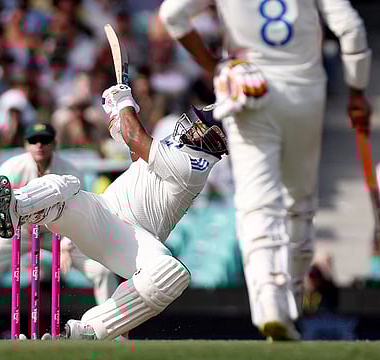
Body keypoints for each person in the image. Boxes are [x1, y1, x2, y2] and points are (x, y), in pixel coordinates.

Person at [159, 0, 371, 340]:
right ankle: (291, 302)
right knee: (299, 203)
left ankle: (269, 305)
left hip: (249, 87)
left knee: (257, 204)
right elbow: (352, 29)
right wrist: (357, 92)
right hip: (304, 90)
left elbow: (172, 15)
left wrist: (214, 66)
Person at [0, 84, 228, 340]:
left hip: (131, 242)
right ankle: (16, 208)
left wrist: (124, 102)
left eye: (202, 125)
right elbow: (137, 149)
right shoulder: (180, 147)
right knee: (68, 183)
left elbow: (136, 139)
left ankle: (89, 330)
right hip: (101, 214)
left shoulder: (194, 166)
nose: (193, 127)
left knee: (172, 273)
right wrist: (120, 114)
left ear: (216, 138)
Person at [0, 123, 118, 340]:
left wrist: (66, 246)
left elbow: (83, 213)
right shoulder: (13, 167)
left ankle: (113, 335)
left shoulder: (70, 171)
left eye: (44, 140)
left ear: (54, 143)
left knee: (101, 271)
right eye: (34, 140)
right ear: (26, 144)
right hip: (18, 231)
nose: (39, 145)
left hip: (62, 232)